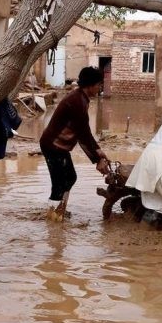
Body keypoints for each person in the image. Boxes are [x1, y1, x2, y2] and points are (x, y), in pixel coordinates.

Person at [40, 66, 109, 222]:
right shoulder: (77, 102)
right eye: (99, 84)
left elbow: (84, 132)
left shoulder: (81, 98)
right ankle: (53, 220)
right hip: (53, 146)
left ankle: (59, 212)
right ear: (90, 85)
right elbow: (83, 135)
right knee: (59, 184)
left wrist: (98, 152)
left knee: (70, 177)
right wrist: (97, 160)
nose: (100, 88)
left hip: (59, 147)